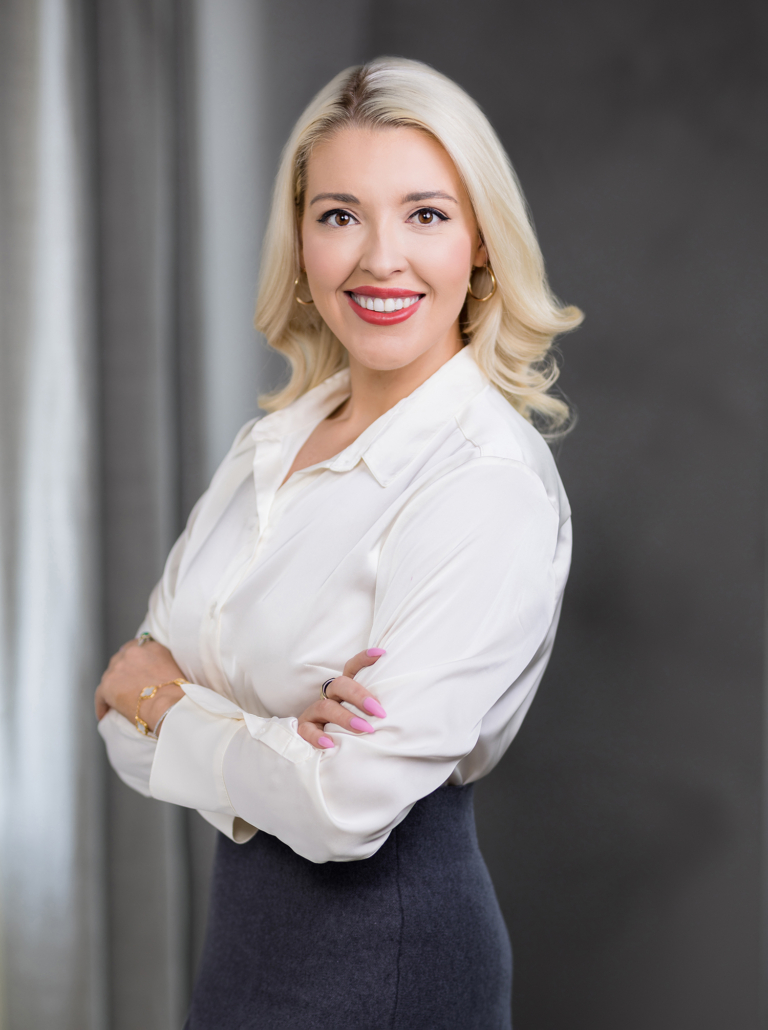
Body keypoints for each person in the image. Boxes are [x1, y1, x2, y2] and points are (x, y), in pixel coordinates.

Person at [95, 57, 582, 1030]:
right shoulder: (270, 445)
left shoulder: (484, 480)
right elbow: (118, 717)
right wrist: (262, 732)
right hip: (243, 949)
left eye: (426, 214)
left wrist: (173, 702)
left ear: (479, 242)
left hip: (389, 965)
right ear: (304, 241)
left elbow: (343, 805)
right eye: (340, 214)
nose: (379, 258)